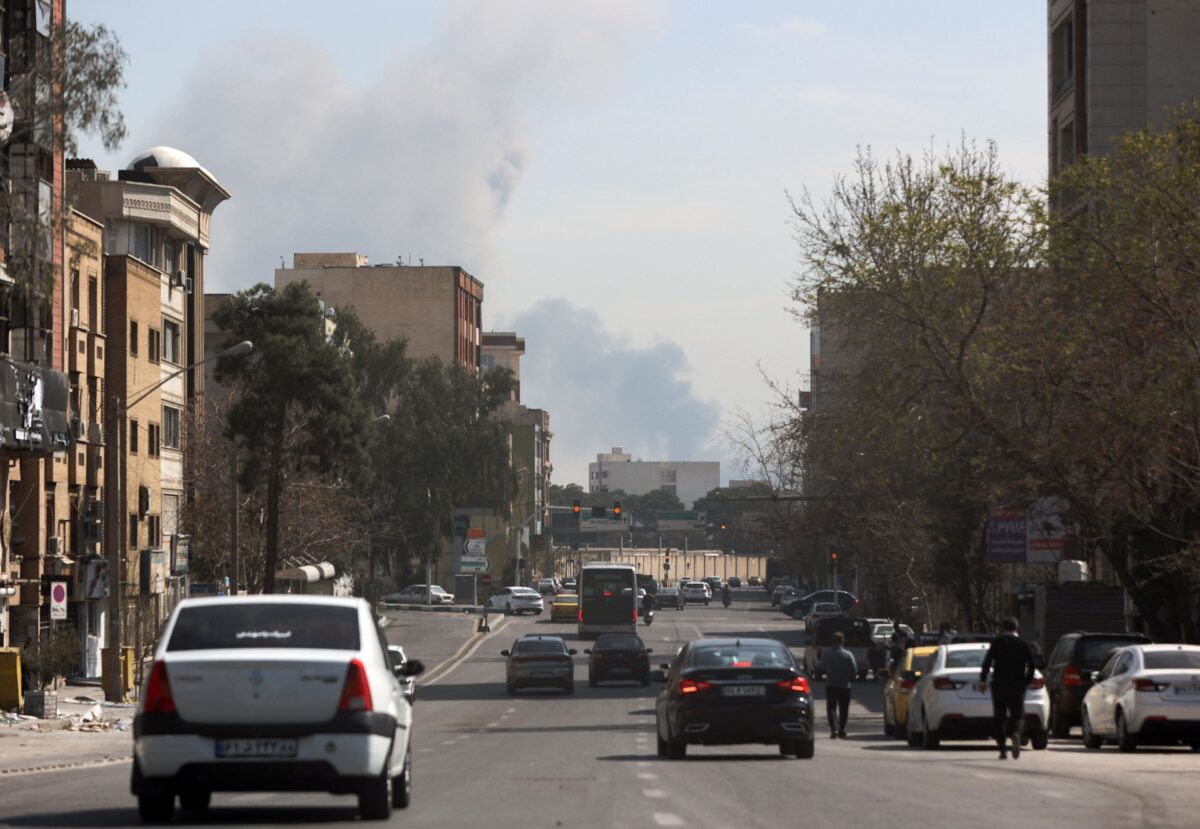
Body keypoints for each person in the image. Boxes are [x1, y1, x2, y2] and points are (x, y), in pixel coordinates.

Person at [979, 616, 1036, 760]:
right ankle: (1016, 734)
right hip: (1017, 685)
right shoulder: (1022, 644)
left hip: (999, 685)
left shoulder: (997, 643)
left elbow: (987, 662)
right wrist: (1026, 681)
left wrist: (983, 679)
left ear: (1003, 629)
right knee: (1018, 715)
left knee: (999, 717)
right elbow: (1032, 664)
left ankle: (1002, 749)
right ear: (1017, 629)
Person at [823, 631, 858, 739]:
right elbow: (854, 670)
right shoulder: (848, 655)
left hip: (831, 685)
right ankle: (841, 729)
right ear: (843, 641)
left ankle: (833, 729)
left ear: (832, 641)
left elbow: (823, 667)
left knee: (831, 708)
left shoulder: (828, 654)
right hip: (845, 686)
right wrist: (851, 678)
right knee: (844, 709)